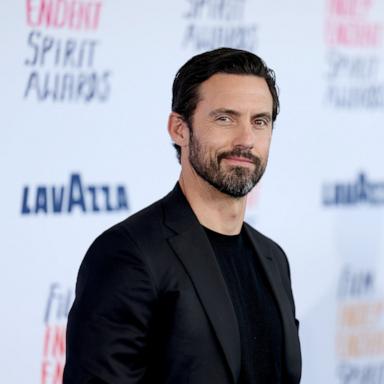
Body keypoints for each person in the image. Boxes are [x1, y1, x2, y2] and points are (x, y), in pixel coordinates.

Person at [64, 47, 302, 384]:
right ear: (179, 128)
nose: (246, 139)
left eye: (259, 121)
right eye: (225, 118)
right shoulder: (128, 254)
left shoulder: (273, 258)